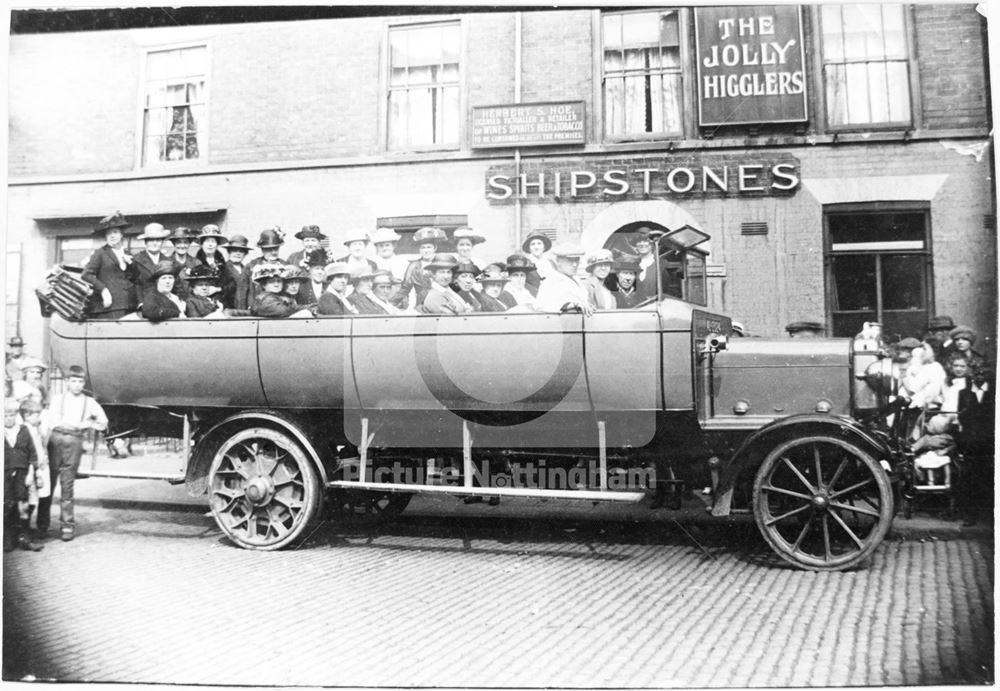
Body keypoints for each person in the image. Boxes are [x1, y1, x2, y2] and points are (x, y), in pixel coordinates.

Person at [39, 365, 108, 542]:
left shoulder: (89, 402)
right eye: (73, 381)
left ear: (83, 383)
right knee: (48, 483)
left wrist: (87, 425)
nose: (76, 385)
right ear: (67, 382)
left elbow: (103, 422)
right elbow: (49, 422)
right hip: (55, 440)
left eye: (80, 381)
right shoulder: (57, 399)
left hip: (74, 442)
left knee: (67, 485)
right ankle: (42, 525)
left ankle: (67, 526)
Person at [82, 211, 139, 319]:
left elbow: (135, 278)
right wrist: (103, 290)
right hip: (110, 307)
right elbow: (86, 274)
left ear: (121, 234)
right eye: (109, 233)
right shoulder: (100, 253)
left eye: (115, 232)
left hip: (129, 306)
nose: (112, 236)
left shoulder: (128, 254)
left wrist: (131, 264)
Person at [4, 397, 42, 552]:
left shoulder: (23, 430)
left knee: (24, 505)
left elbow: (33, 455)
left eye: (12, 415)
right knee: (7, 505)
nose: (9, 418)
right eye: (5, 415)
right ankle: (8, 538)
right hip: (5, 474)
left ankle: (24, 537)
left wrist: (30, 474)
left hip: (22, 473)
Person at [19, 398, 50, 542]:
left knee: (35, 499)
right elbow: (30, 452)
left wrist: (44, 458)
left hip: (39, 467)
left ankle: (24, 527)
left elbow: (40, 447)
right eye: (36, 415)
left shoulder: (34, 428)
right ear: (26, 416)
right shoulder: (25, 430)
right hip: (30, 470)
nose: (38, 417)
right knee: (29, 500)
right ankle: (21, 528)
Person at [394, 227, 447, 309]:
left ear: (435, 248)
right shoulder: (414, 266)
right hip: (422, 303)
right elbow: (405, 288)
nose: (426, 251)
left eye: (429, 247)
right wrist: (389, 305)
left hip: (442, 303)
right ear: (419, 249)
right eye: (423, 247)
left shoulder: (442, 263)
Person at [534, 243, 592, 315]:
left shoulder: (576, 280)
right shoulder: (551, 281)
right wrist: (568, 306)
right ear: (558, 262)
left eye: (577, 260)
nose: (574, 264)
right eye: (570, 260)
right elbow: (540, 307)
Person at [246, 227, 288, 303]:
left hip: (279, 308)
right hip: (256, 308)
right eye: (269, 249)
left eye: (276, 248)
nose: (273, 252)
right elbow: (241, 293)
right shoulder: (252, 266)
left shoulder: (285, 266)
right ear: (262, 249)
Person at [130, 222, 173, 295]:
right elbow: (134, 285)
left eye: (158, 240)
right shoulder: (136, 260)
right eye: (151, 240)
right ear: (145, 242)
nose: (155, 243)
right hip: (145, 301)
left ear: (162, 242)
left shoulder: (169, 261)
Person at [221, 234, 253, 310]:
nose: (238, 253)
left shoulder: (248, 270)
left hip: (244, 309)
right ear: (229, 252)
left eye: (241, 251)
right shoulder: (222, 269)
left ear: (245, 254)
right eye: (234, 250)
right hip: (228, 309)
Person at [169, 226, 200, 299]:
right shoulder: (167, 262)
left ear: (189, 244)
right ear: (174, 244)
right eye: (179, 242)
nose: (182, 246)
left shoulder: (196, 263)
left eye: (185, 242)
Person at [522, 230, 555, 296]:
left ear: (544, 247)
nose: (536, 247)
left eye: (539, 243)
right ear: (529, 248)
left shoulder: (551, 263)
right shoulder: (525, 265)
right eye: (533, 244)